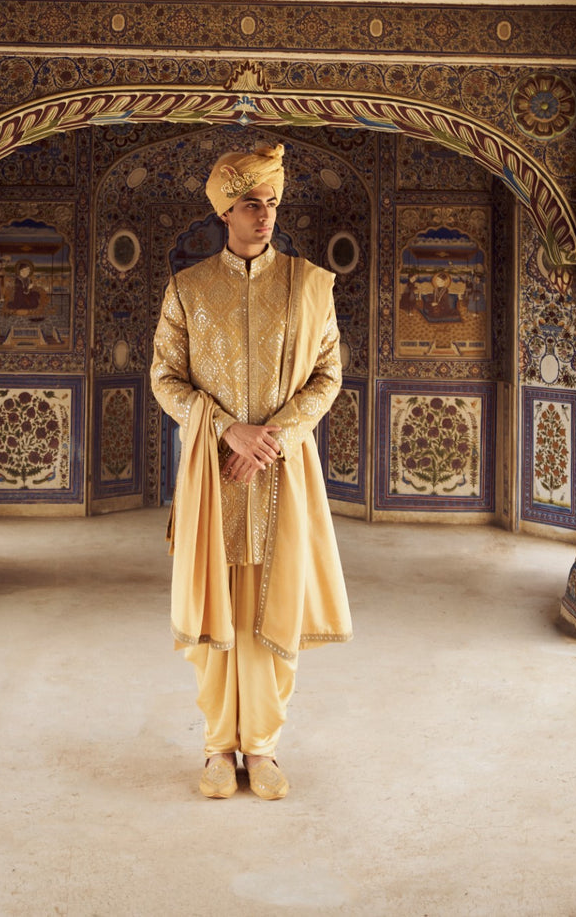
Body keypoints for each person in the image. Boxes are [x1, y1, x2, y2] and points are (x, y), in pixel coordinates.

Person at [150, 141, 352, 801]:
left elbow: (328, 375)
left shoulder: (310, 285)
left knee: (273, 599)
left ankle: (261, 748)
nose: (263, 216)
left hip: (282, 472)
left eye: (270, 203)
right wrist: (224, 427)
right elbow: (164, 378)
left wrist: (276, 436)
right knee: (217, 606)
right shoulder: (187, 290)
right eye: (249, 205)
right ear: (224, 213)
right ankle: (216, 746)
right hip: (212, 474)